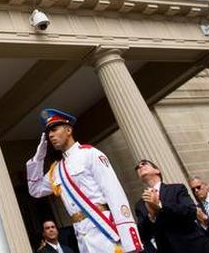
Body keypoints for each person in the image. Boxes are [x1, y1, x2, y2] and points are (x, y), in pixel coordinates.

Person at [27, 108, 143, 253]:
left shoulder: (90, 154)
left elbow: (114, 194)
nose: (51, 135)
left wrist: (130, 240)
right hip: (81, 234)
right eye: (49, 132)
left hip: (104, 230)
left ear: (68, 130)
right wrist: (38, 158)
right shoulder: (56, 170)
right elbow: (35, 190)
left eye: (55, 129)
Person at [131, 159, 209, 253]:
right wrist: (151, 216)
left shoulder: (177, 189)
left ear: (157, 170)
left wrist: (160, 206)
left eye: (144, 164)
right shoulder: (140, 205)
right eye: (137, 167)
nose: (140, 167)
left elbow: (191, 211)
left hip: (194, 247)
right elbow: (143, 234)